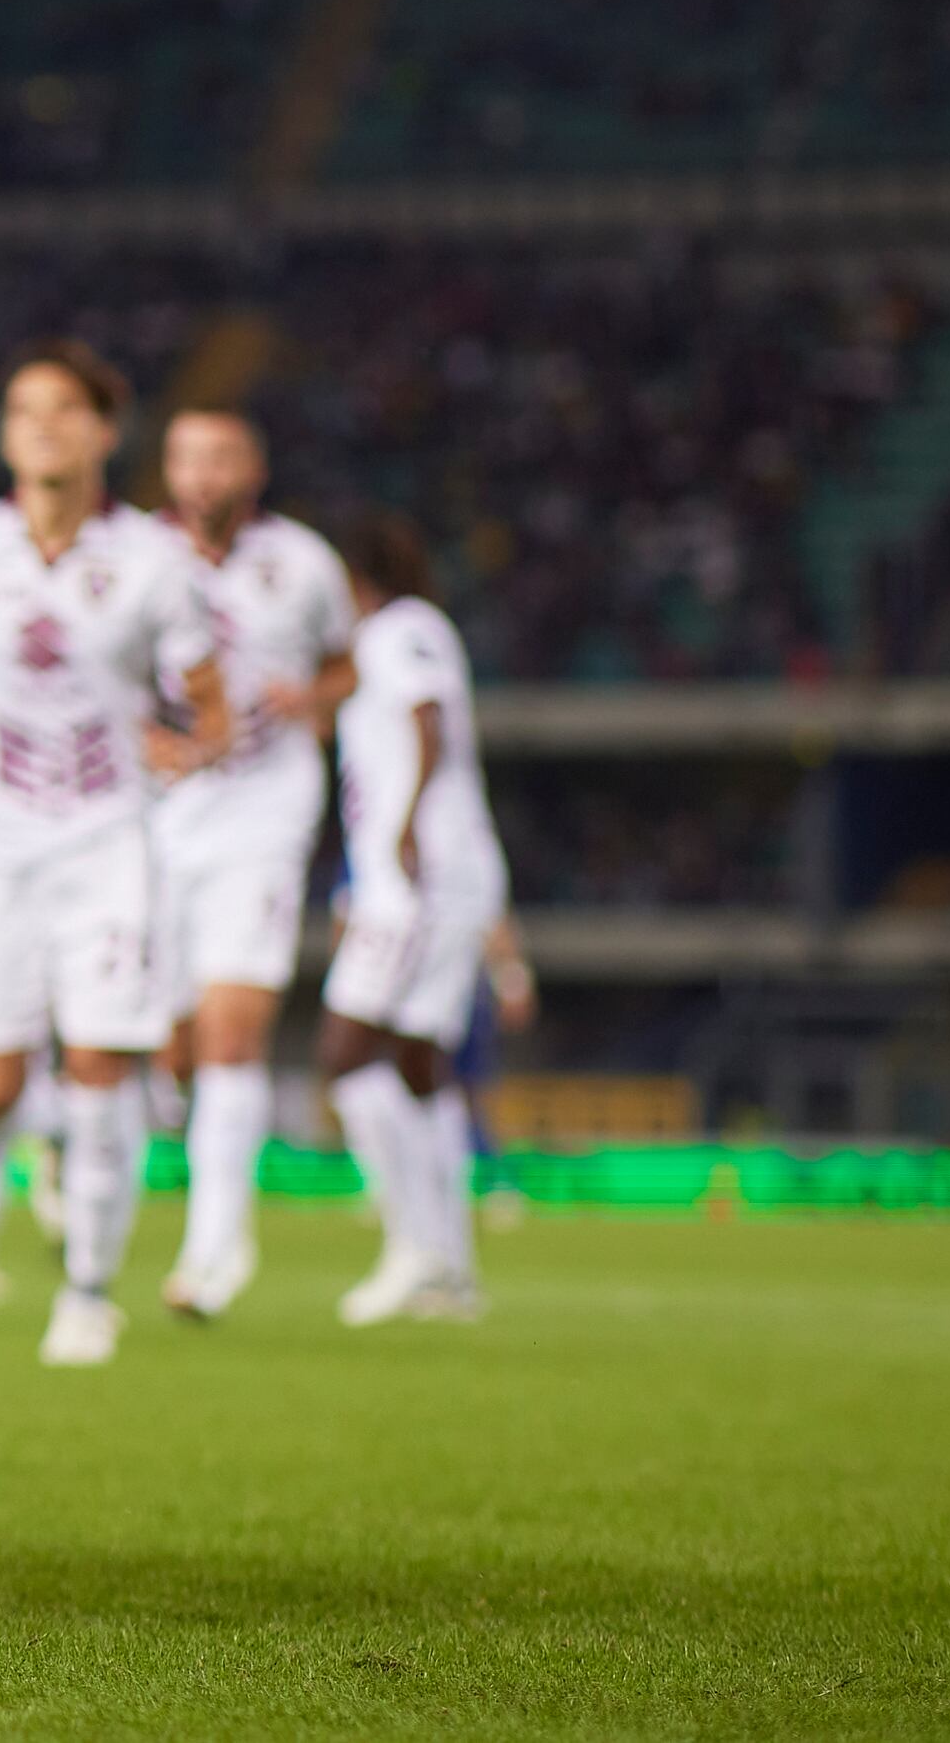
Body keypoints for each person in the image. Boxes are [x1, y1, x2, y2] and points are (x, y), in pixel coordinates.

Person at [0, 340, 226, 1368]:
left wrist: (187, 749)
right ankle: (20, 1179)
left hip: (106, 848)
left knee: (98, 1065)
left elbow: (209, 706)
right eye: (22, 409)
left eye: (61, 409)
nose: (39, 427)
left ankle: (88, 1290)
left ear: (104, 431)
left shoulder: (153, 560)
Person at [140, 410, 355, 1321]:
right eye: (188, 458)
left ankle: (213, 1252)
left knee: (234, 1032)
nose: (204, 475)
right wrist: (139, 735)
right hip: (153, 820)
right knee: (170, 1050)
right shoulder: (134, 559)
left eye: (221, 457)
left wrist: (312, 697)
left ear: (255, 468)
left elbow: (348, 667)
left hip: (264, 812)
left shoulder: (304, 562)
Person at [317, 510, 511, 1327]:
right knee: (420, 1069)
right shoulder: (402, 633)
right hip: (438, 875)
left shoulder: (398, 629)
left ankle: (411, 1245)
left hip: (419, 878)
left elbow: (425, 717)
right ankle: (452, 1270)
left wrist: (403, 826)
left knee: (344, 1056)